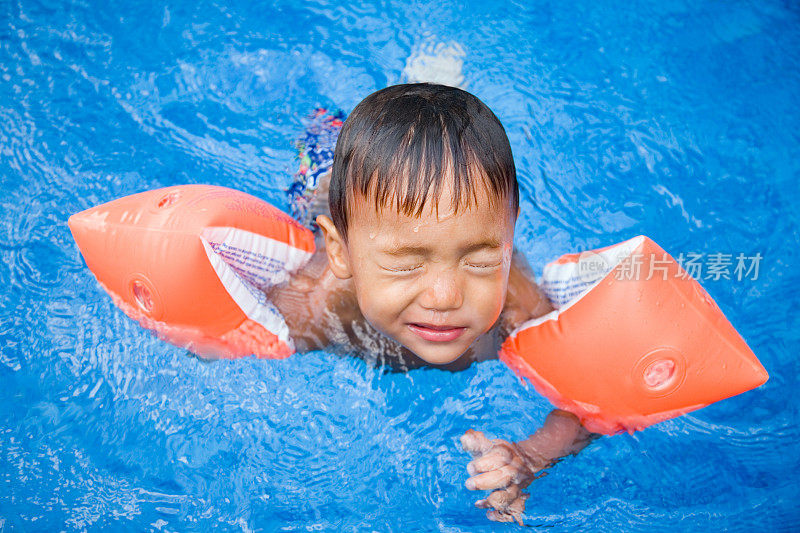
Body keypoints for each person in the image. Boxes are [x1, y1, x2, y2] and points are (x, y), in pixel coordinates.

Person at [269, 83, 595, 524]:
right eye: (405, 265)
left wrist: (530, 457)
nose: (445, 297)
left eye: (480, 260)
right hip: (335, 195)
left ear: (510, 236)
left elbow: (587, 399)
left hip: (396, 207)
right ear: (341, 253)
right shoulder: (318, 308)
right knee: (321, 177)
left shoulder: (517, 308)